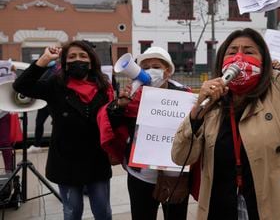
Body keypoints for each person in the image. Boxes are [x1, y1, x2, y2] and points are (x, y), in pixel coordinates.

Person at [171, 0, 280, 220]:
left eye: (248, 52)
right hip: (220, 209)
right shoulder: (212, 104)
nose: (239, 57)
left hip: (271, 210)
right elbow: (179, 156)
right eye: (232, 51)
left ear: (264, 60)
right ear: (221, 61)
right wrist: (197, 111)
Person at [13, 41, 114, 220]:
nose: (78, 60)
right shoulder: (55, 84)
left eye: (83, 56)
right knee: (72, 211)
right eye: (72, 56)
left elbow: (111, 118)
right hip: (66, 161)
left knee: (103, 211)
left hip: (96, 160)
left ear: (91, 61)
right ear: (65, 62)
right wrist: (44, 59)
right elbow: (22, 86)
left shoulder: (104, 86)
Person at [102, 46, 191, 220]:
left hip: (175, 176)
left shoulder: (185, 96)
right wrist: (119, 105)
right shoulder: (132, 96)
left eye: (156, 66)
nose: (151, 70)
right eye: (146, 67)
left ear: (167, 71)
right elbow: (112, 124)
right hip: (140, 176)